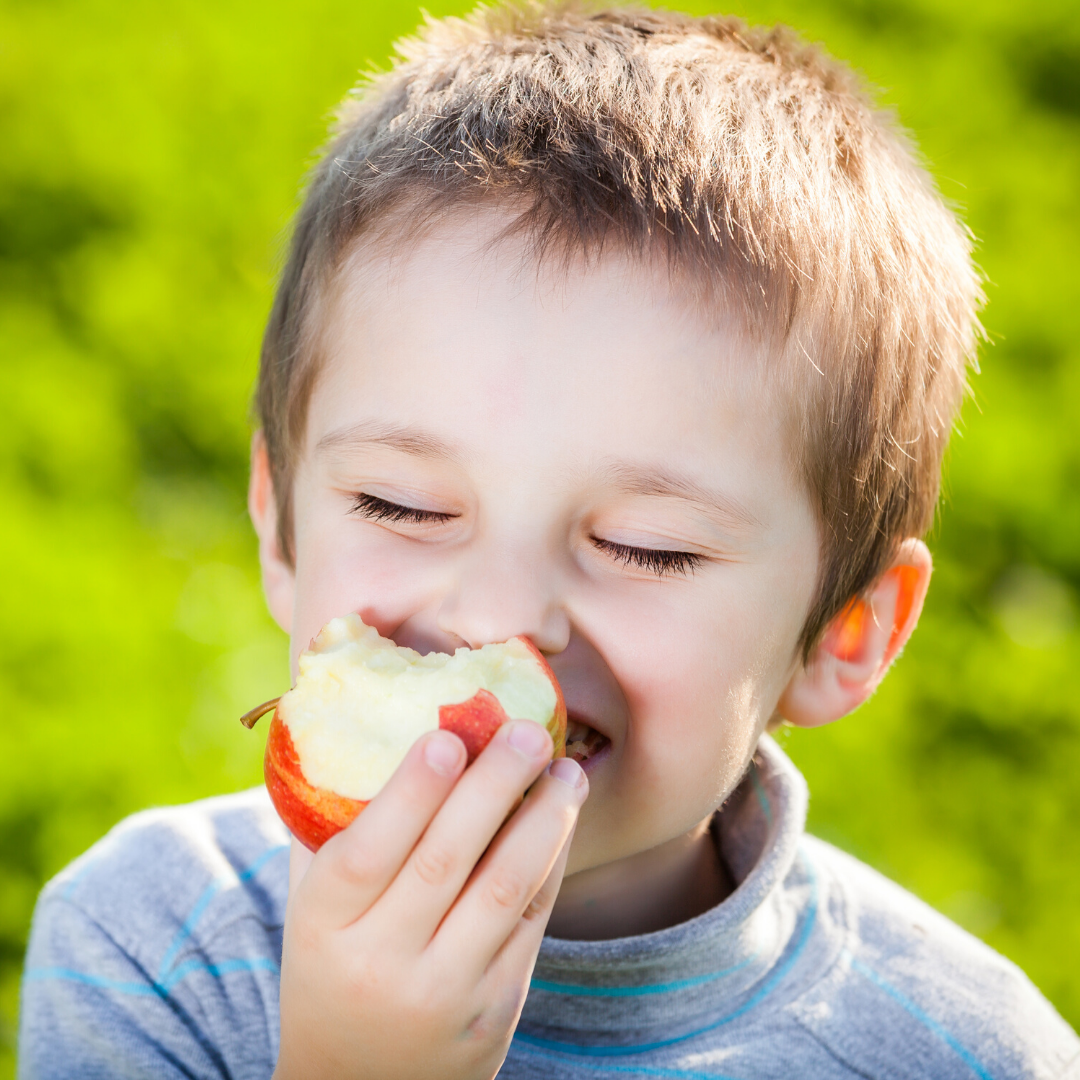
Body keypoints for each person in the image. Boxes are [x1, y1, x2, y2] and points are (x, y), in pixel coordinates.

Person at [18, 4, 1080, 1077]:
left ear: (843, 633)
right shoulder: (149, 953)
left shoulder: (973, 1056)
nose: (498, 615)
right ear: (279, 521)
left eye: (647, 546)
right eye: (401, 505)